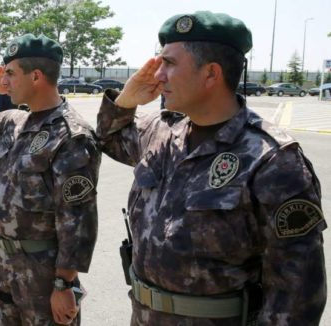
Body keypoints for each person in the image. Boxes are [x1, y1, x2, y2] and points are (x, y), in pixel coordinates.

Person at [96, 11, 326, 325]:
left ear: (211, 74)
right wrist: (126, 98)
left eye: (170, 63)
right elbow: (110, 139)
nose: (158, 75)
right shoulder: (161, 132)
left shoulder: (274, 160)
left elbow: (298, 294)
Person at [0, 33, 100, 325]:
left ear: (36, 76)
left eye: (10, 73)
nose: (5, 81)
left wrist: (63, 284)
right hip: (7, 264)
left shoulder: (72, 135)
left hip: (44, 274)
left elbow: (77, 219)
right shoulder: (14, 121)